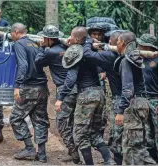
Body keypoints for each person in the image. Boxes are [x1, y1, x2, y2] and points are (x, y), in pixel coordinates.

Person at [55, 26, 112, 165]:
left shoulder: (77, 52)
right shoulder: (89, 49)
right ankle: (109, 161)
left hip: (86, 95)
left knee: (80, 134)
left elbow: (71, 79)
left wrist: (60, 98)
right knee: (94, 134)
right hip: (99, 92)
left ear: (75, 38)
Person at [35, 25, 80, 164]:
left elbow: (38, 62)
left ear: (48, 39)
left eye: (44, 38)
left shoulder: (50, 52)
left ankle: (74, 154)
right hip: (77, 88)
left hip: (64, 90)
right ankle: (74, 151)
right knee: (71, 122)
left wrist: (42, 47)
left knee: (61, 124)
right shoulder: (66, 48)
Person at [9, 23, 49, 163]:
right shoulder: (34, 44)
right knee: (40, 120)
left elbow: (23, 65)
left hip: (29, 87)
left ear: (15, 32)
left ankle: (29, 148)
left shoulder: (19, 44)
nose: (11, 36)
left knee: (15, 118)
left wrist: (17, 85)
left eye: (11, 33)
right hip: (42, 88)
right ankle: (42, 154)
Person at [82, 31, 124, 164]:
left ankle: (116, 162)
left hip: (119, 99)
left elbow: (87, 55)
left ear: (113, 42)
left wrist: (89, 42)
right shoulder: (128, 56)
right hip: (134, 97)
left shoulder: (110, 55)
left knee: (117, 135)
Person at [115, 31, 156, 165]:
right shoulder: (135, 59)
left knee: (135, 147)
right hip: (142, 102)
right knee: (131, 146)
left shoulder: (127, 61)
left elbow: (128, 89)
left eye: (118, 41)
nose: (116, 44)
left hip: (135, 104)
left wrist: (120, 112)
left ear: (124, 43)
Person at [137, 34, 158, 163]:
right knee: (147, 133)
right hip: (142, 100)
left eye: (141, 45)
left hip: (156, 99)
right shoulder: (137, 59)